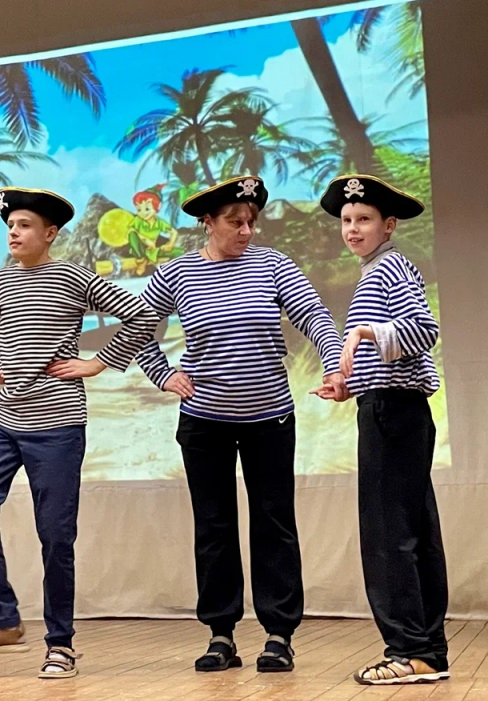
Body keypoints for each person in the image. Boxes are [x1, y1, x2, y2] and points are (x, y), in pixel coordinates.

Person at [134, 176, 346, 673]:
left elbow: (314, 316)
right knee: (214, 527)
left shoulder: (274, 265)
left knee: (275, 524)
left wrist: (334, 362)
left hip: (269, 419)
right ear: (208, 222)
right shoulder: (176, 272)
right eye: (235, 222)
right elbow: (138, 327)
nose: (247, 231)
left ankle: (279, 635)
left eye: (251, 221)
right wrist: (163, 373)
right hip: (203, 422)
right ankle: (221, 634)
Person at [0, 187, 159, 679]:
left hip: (59, 425)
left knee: (55, 535)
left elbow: (142, 315)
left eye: (24, 225)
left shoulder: (72, 275)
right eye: (10, 225)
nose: (13, 232)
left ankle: (60, 644)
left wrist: (98, 362)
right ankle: (4, 620)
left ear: (49, 233)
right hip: (5, 422)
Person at [312, 175, 448, 686]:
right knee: (414, 533)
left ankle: (409, 651)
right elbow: (391, 356)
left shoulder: (388, 268)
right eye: (347, 220)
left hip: (393, 413)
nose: (352, 228)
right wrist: (348, 385)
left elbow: (424, 331)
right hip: (392, 407)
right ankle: (427, 652)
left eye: (364, 219)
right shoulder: (380, 269)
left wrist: (365, 332)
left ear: (388, 225)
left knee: (389, 536)